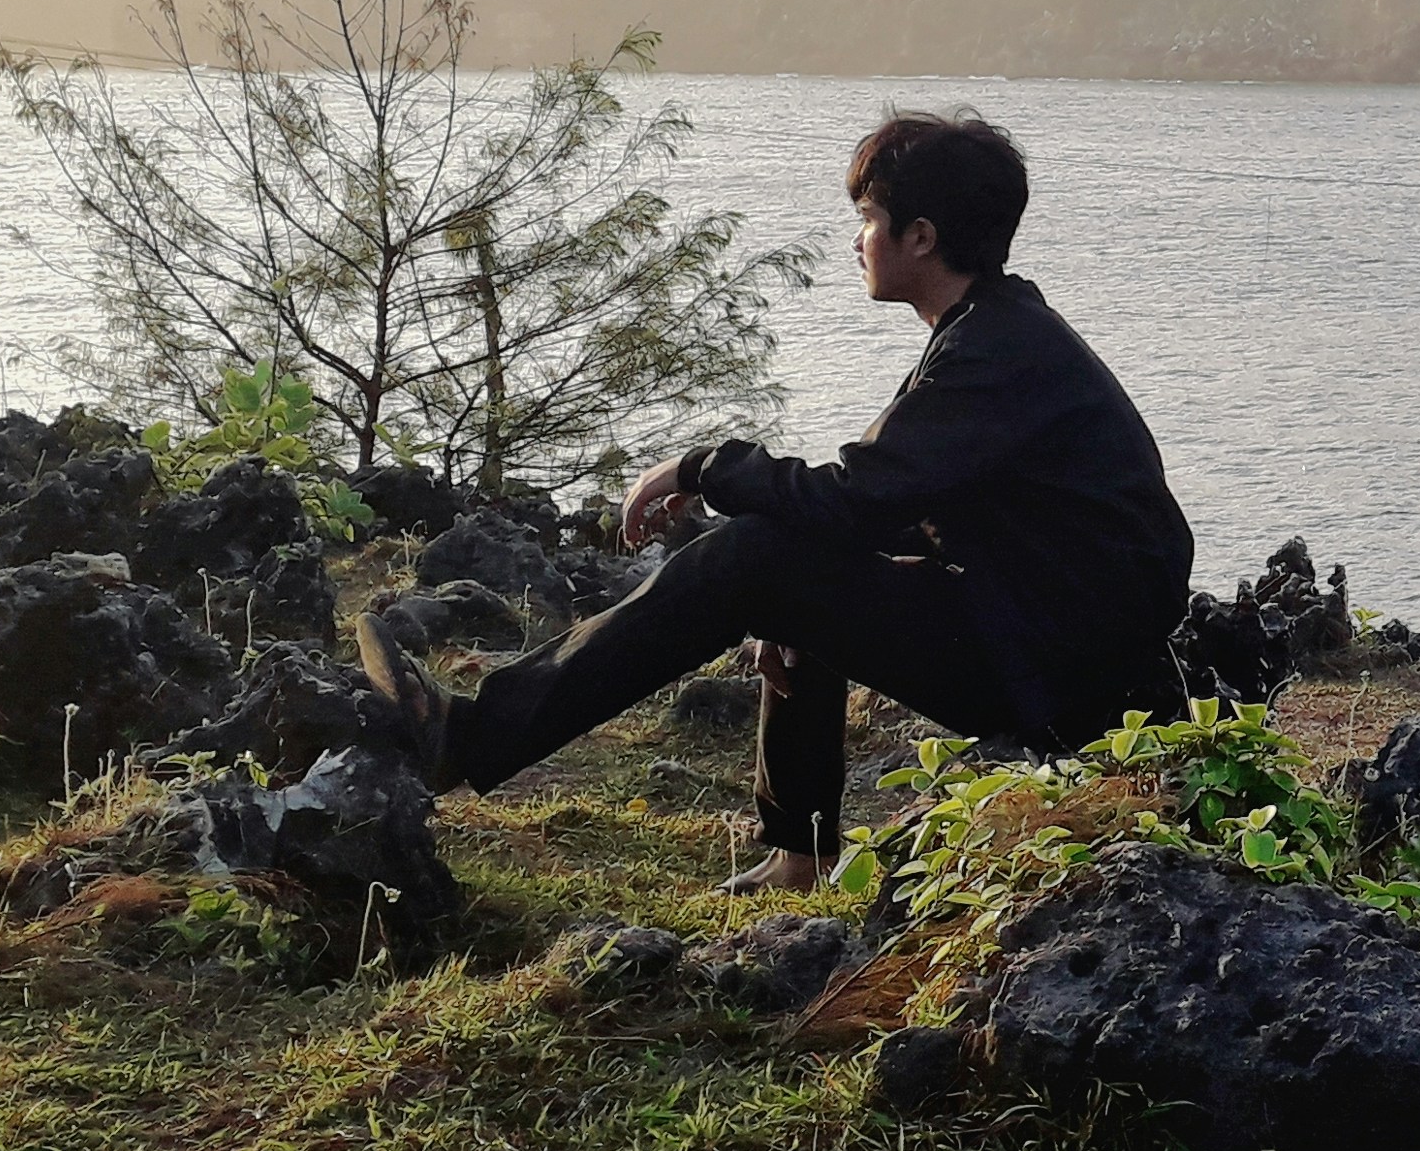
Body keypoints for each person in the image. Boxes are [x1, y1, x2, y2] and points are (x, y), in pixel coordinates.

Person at [357, 107, 1194, 893]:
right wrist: (803, 593)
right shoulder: (997, 332)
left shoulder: (996, 353)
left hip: (1065, 675)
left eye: (870, 219)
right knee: (786, 557)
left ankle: (475, 740)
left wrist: (700, 467)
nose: (859, 240)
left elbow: (859, 497)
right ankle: (801, 850)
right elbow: (907, 503)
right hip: (1045, 638)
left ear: (922, 237)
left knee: (757, 554)